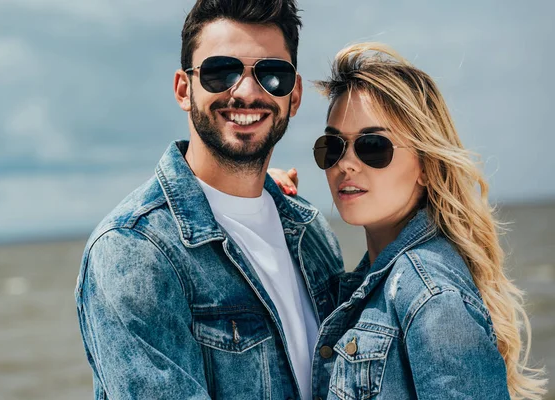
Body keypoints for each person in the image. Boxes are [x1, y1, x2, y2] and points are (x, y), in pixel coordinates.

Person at [74, 0, 344, 399]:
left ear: (296, 94)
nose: (248, 92)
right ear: (185, 89)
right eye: (221, 72)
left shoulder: (310, 231)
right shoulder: (134, 252)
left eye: (272, 74)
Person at [270, 42, 546, 399]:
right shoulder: (376, 283)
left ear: (427, 166)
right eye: (333, 146)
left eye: (372, 146)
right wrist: (266, 200)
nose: (346, 164)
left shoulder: (430, 295)